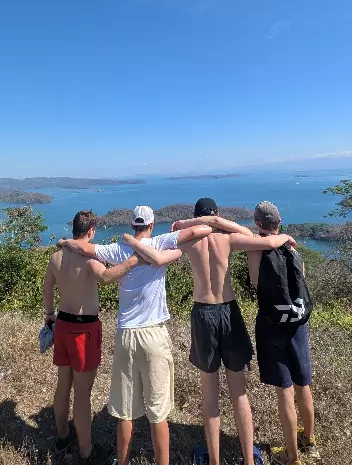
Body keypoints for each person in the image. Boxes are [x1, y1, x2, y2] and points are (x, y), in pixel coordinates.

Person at [124, 198, 295, 465]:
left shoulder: (188, 242)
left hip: (203, 314)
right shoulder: (229, 239)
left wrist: (135, 240)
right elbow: (262, 240)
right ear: (217, 215)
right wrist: (284, 237)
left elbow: (158, 252)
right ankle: (249, 461)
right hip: (229, 312)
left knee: (210, 395)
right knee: (239, 393)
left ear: (196, 217)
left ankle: (213, 460)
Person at [59, 206, 213, 465]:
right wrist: (185, 223)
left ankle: (123, 462)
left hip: (126, 335)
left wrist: (65, 242)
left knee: (125, 412)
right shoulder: (159, 243)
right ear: (151, 225)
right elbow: (202, 230)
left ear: (132, 226)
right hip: (154, 335)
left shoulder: (118, 250)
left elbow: (84, 248)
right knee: (158, 414)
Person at [43, 210, 143, 464]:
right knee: (82, 393)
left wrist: (49, 315)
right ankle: (87, 451)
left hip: (62, 325)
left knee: (63, 385)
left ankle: (63, 437)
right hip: (83, 330)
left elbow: (47, 288)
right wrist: (133, 261)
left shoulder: (56, 257)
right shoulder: (88, 258)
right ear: (91, 232)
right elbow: (106, 277)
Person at [249, 202, 319, 464]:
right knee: (303, 385)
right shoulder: (293, 249)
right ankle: (309, 442)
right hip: (297, 324)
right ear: (279, 222)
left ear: (258, 223)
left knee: (285, 390)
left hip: (272, 325)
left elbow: (255, 282)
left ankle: (292, 456)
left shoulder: (256, 249)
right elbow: (301, 281)